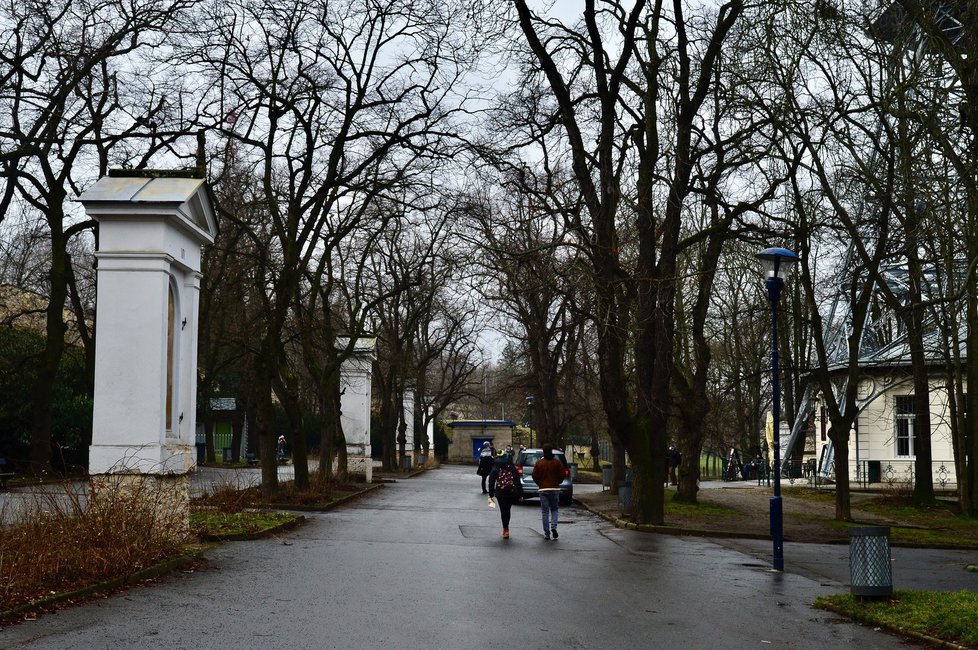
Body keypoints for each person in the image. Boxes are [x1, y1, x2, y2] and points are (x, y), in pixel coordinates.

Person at [531, 443, 564, 540]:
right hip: (554, 488)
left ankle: (547, 533)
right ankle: (553, 526)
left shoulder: (539, 463)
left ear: (543, 452)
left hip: (543, 489)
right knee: (554, 509)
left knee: (545, 512)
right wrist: (558, 482)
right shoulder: (557, 462)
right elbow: (562, 474)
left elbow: (534, 475)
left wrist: (540, 483)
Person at [488, 448, 523, 539]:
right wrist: (521, 494)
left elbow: (491, 482)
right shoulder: (511, 467)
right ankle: (506, 527)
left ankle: (505, 529)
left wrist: (491, 494)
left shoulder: (495, 468)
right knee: (508, 510)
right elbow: (517, 481)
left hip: (500, 492)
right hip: (511, 492)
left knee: (503, 511)